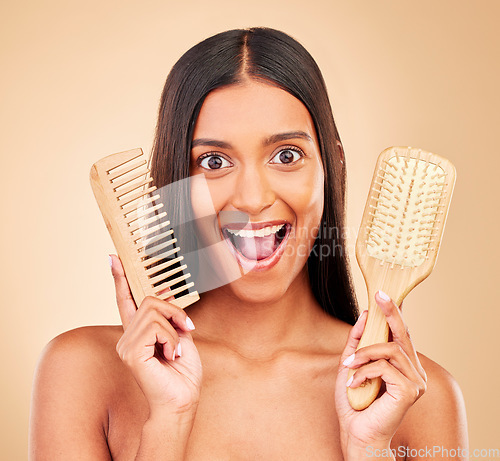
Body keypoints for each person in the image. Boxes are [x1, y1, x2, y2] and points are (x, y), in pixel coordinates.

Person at [29, 27, 468, 460]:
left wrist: (370, 450)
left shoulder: (417, 398)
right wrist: (168, 418)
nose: (253, 199)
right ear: (174, 183)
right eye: (214, 161)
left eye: (286, 155)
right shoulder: (82, 374)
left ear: (331, 163)